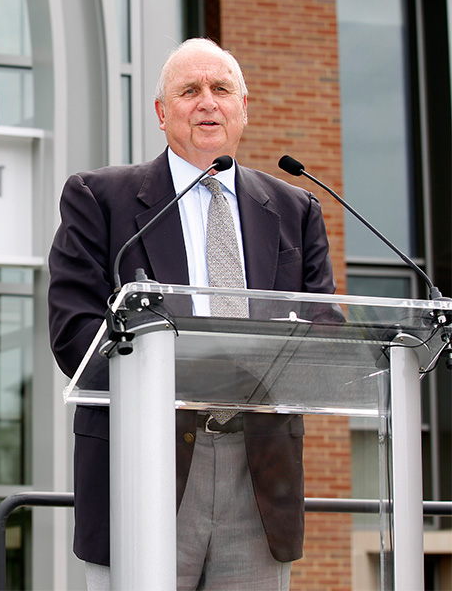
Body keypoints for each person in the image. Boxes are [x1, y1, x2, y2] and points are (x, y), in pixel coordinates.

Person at [47, 38, 336, 590]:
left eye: (221, 89)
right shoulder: (101, 199)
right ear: (162, 113)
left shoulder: (297, 210)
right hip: (143, 462)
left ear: (243, 109)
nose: (208, 102)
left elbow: (324, 333)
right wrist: (185, 374)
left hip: (260, 478)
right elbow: (73, 333)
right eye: (190, 90)